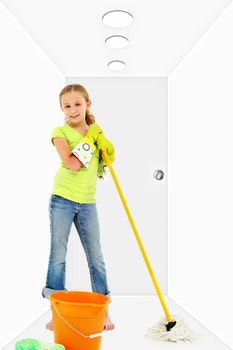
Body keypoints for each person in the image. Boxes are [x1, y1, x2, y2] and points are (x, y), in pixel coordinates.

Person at [42, 83, 115, 331]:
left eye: (77, 104)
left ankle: (103, 313)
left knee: (96, 258)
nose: (73, 110)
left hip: (88, 202)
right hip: (62, 199)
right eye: (67, 105)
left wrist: (105, 147)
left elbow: (103, 164)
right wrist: (91, 139)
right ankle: (56, 314)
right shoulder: (59, 132)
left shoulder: (96, 133)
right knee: (58, 257)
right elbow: (73, 164)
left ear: (87, 104)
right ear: (61, 108)